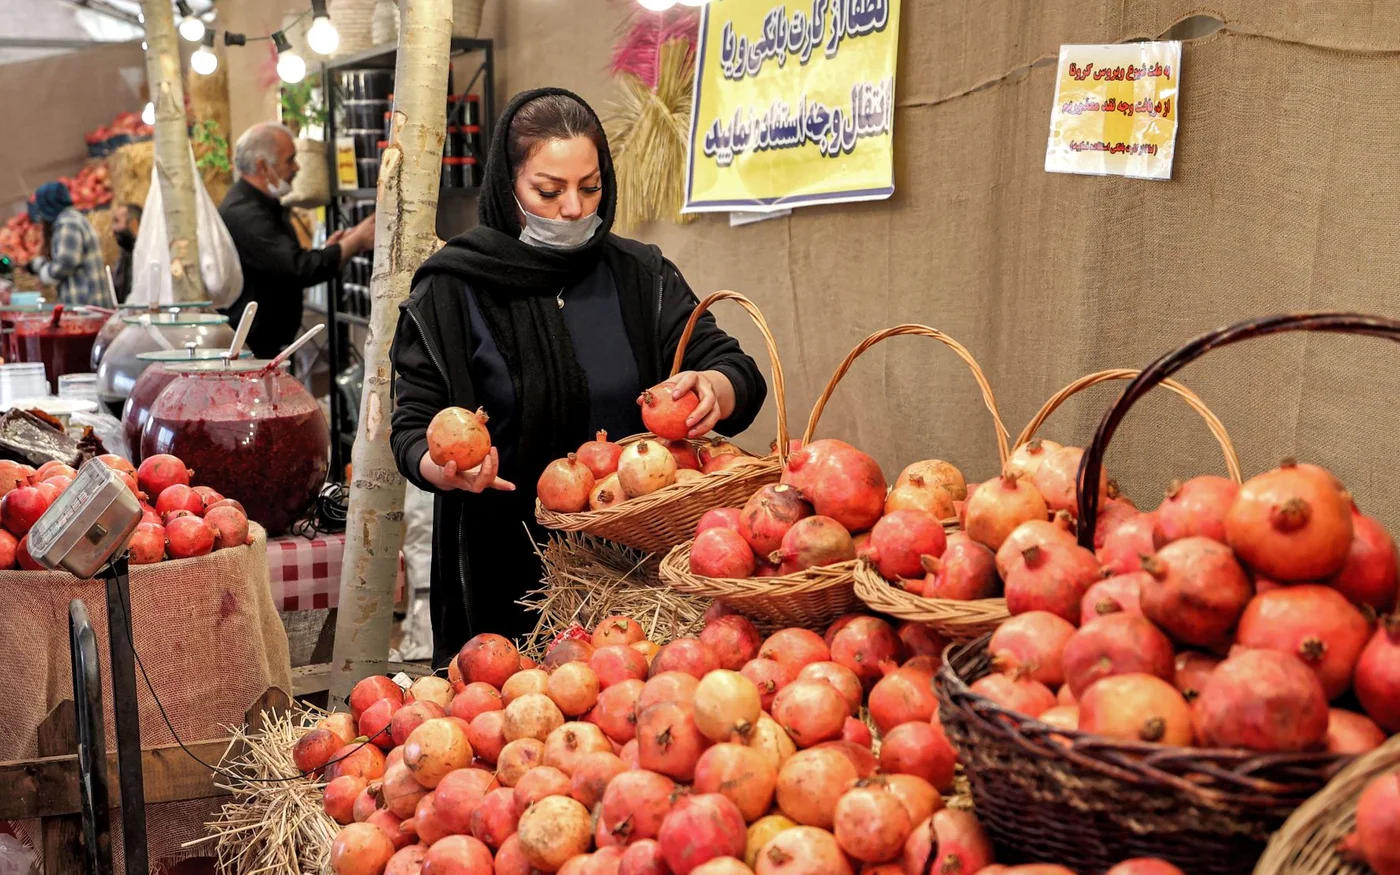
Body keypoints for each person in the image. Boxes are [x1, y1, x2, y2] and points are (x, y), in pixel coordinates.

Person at [390, 88, 767, 665]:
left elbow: (731, 364)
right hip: (502, 575)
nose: (573, 209)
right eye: (549, 190)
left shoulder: (641, 276)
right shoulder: (451, 290)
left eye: (589, 188)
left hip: (635, 581)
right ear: (506, 185)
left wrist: (714, 387)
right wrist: (440, 467)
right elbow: (412, 426)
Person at [220, 122, 376, 358]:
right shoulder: (244, 213)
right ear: (263, 166)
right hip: (255, 351)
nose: (297, 167)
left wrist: (329, 250)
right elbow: (296, 267)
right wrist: (354, 242)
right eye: (290, 160)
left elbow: (283, 261)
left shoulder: (263, 207)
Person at [23, 181, 107, 306]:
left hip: (86, 305)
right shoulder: (72, 218)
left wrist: (44, 275)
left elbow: (66, 262)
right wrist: (35, 265)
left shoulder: (68, 222)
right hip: (89, 304)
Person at [110, 202, 141, 303]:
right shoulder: (124, 257)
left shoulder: (145, 258)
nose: (113, 229)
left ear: (133, 224)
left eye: (117, 221)